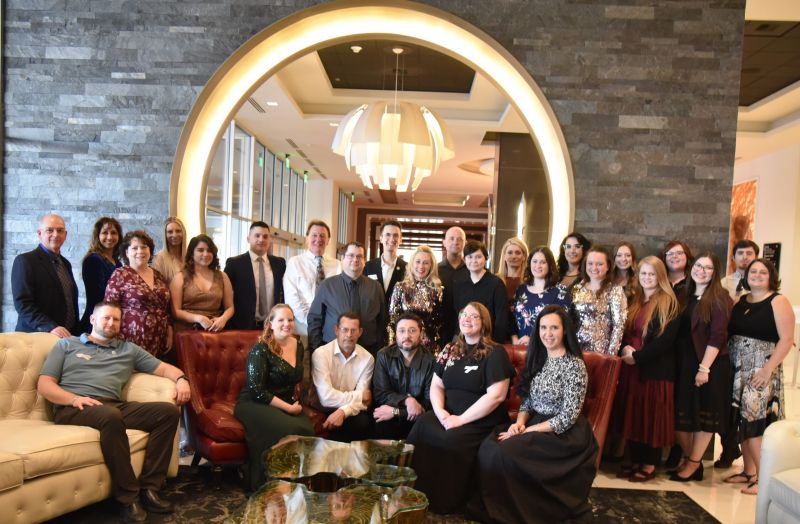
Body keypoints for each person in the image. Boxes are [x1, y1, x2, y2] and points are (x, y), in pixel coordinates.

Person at [37, 301, 190, 523]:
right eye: (106, 317)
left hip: (111, 405)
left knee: (167, 412)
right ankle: (128, 497)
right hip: (73, 407)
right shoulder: (67, 345)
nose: (111, 323)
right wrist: (74, 399)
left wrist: (181, 379)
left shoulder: (128, 350)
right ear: (92, 319)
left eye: (116, 319)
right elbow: (44, 384)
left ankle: (150, 488)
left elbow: (165, 368)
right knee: (110, 415)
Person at [470, 305, 597, 524]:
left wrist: (527, 431)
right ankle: (499, 507)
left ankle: (517, 513)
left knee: (506, 452)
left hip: (563, 433)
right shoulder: (538, 359)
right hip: (535, 422)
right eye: (543, 327)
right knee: (489, 446)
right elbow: (528, 400)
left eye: (554, 328)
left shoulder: (575, 366)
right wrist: (519, 423)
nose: (548, 333)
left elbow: (568, 416)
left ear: (564, 330)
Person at [407, 302, 515, 514]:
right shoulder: (450, 349)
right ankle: (413, 491)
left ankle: (442, 501)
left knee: (450, 439)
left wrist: (461, 420)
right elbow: (437, 384)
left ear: (484, 323)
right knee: (422, 426)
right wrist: (440, 412)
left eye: (474, 316)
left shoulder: (495, 352)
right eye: (464, 314)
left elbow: (497, 396)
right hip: (448, 413)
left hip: (480, 419)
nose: (467, 318)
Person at [725, 259, 795, 495]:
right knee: (742, 420)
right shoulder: (741, 301)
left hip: (760, 369)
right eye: (753, 271)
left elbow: (786, 340)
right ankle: (749, 472)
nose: (756, 275)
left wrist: (768, 370)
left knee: (755, 422)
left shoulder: (778, 301)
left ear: (771, 276)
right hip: (738, 368)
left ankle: (763, 480)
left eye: (762, 272)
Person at [234, 304, 314, 491]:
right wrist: (289, 409)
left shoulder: (298, 344)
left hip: (284, 401)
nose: (287, 324)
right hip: (255, 402)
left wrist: (294, 402)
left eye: (290, 320)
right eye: (281, 320)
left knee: (306, 429)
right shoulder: (260, 349)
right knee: (290, 427)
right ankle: (269, 482)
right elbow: (257, 390)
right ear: (270, 324)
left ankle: (294, 481)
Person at [616, 256, 680, 482]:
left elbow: (665, 341)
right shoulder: (635, 300)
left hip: (654, 369)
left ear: (660, 276)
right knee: (633, 414)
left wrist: (638, 357)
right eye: (643, 273)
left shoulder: (669, 302)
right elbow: (625, 331)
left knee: (651, 417)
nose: (647, 278)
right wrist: (625, 350)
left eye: (652, 274)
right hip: (631, 368)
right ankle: (635, 460)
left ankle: (650, 464)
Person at [671, 252, 733, 482]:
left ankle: (694, 462)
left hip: (709, 365)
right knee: (683, 418)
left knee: (704, 417)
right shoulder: (684, 295)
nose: (702, 271)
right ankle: (691, 460)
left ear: (715, 273)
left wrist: (704, 368)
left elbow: (717, 337)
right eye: (699, 266)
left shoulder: (719, 297)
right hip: (685, 363)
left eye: (708, 268)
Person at [715, 240, 758, 469]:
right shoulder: (724, 284)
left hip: (753, 353)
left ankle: (751, 460)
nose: (744, 257)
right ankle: (729, 447)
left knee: (747, 404)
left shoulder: (761, 280)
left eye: (749, 253)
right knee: (726, 401)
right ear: (733, 257)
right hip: (728, 347)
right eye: (740, 253)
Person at [308, 242, 387, 355]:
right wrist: (317, 351)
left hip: (368, 352)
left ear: (364, 261)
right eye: (351, 255)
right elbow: (314, 319)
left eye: (359, 256)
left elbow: (382, 321)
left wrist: (379, 350)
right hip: (332, 352)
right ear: (342, 258)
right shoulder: (327, 286)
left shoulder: (376, 287)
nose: (355, 259)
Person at [105, 230, 172, 357]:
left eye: (144, 247)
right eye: (134, 248)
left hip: (158, 338)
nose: (140, 251)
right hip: (129, 340)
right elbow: (109, 308)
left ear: (150, 251)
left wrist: (169, 330)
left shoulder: (159, 276)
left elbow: (166, 308)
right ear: (127, 252)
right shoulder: (120, 274)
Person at [12, 213, 80, 337]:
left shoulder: (65, 264)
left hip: (66, 337)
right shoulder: (25, 261)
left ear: (65, 235)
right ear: (39, 234)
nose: (55, 234)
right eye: (50, 230)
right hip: (36, 338)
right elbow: (23, 304)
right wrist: (50, 327)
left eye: (60, 231)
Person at [311, 312, 375, 442]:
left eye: (353, 330)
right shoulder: (321, 354)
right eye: (344, 330)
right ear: (336, 330)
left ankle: (351, 461)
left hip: (350, 410)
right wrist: (359, 396)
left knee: (363, 422)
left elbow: (364, 403)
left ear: (360, 332)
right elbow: (326, 398)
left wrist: (343, 412)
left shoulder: (368, 359)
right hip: (323, 407)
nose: (349, 335)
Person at [372, 313, 435, 439]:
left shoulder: (430, 361)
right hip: (387, 414)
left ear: (421, 334)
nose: (407, 336)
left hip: (417, 417)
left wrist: (398, 412)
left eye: (412, 331)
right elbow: (381, 394)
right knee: (380, 425)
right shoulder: (384, 355)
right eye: (402, 331)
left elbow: (428, 402)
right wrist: (408, 400)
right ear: (396, 334)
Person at [283, 220, 342, 337]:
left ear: (328, 240)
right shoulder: (295, 263)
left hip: (330, 327)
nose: (318, 239)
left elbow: (339, 297)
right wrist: (311, 321)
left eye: (322, 236)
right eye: (314, 235)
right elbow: (292, 298)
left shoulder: (337, 265)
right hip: (302, 327)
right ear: (307, 238)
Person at [224, 222, 285, 330]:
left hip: (272, 326)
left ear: (269, 240)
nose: (261, 240)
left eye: (265, 236)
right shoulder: (234, 264)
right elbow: (225, 296)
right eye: (257, 235)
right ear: (248, 238)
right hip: (242, 327)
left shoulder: (279, 263)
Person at [171, 234, 234, 333]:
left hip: (215, 330)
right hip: (187, 332)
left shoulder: (223, 277)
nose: (205, 254)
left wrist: (223, 319)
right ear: (192, 253)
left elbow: (230, 307)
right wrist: (198, 318)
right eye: (200, 250)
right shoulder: (180, 277)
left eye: (209, 251)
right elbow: (175, 311)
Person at [571, 245, 627, 355]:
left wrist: (610, 356)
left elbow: (618, 327)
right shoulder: (577, 288)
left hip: (601, 352)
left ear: (608, 266)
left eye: (599, 264)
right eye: (590, 263)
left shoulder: (615, 290)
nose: (594, 268)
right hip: (576, 349)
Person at [387, 245, 443, 352]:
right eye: (418, 261)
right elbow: (393, 319)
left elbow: (439, 323)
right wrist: (392, 346)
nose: (421, 266)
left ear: (431, 266)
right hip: (404, 343)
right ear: (412, 264)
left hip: (428, 346)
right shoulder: (400, 287)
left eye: (426, 263)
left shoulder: (437, 290)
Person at [452, 240, 510, 343]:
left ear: (485, 259)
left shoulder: (496, 284)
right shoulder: (459, 285)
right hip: (464, 340)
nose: (474, 261)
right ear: (464, 259)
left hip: (489, 341)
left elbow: (501, 319)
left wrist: (495, 343)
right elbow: (457, 315)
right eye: (470, 257)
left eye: (478, 257)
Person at [513, 246, 571, 346]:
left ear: (550, 265)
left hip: (546, 348)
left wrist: (533, 341)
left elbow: (560, 326)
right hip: (520, 347)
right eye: (534, 261)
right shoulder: (521, 289)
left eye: (543, 262)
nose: (538, 266)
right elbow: (512, 319)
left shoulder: (560, 292)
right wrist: (514, 340)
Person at [79, 217, 123, 333]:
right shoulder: (93, 260)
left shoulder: (117, 262)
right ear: (97, 236)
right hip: (97, 320)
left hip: (111, 317)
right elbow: (97, 296)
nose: (109, 237)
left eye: (113, 233)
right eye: (104, 233)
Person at [364, 220, 407, 307]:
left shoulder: (407, 268)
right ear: (381, 238)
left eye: (396, 235)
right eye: (388, 234)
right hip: (372, 318)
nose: (392, 239)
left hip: (397, 319)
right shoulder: (368, 266)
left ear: (400, 240)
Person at [438, 226, 469, 344]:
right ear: (444, 242)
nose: (455, 242)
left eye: (459, 239)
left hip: (466, 330)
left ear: (465, 243)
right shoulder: (435, 270)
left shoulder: (472, 271)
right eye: (451, 238)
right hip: (439, 330)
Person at [152, 217, 187, 285]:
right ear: (165, 235)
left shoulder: (190, 255)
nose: (174, 235)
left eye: (178, 231)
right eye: (170, 232)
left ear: (183, 233)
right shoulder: (159, 258)